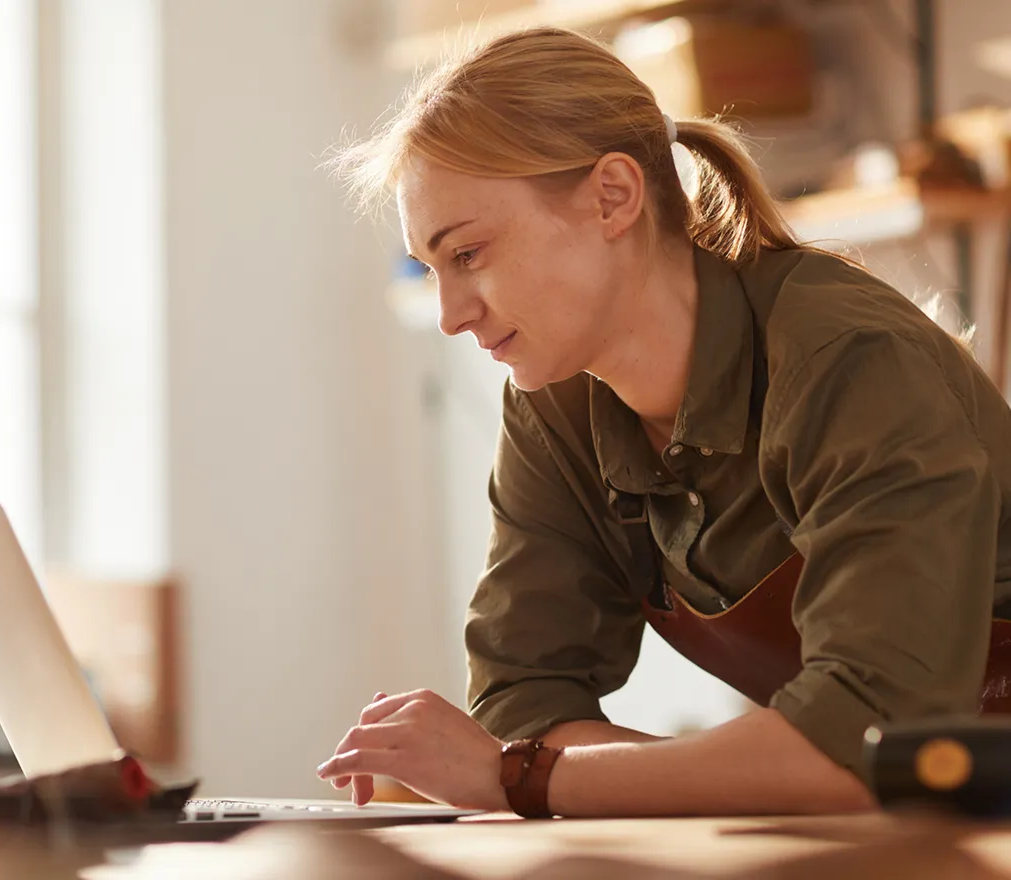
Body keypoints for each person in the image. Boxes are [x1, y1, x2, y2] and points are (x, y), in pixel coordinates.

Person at [315, 26, 1011, 818]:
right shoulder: (557, 405)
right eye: (431, 269)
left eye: (469, 254)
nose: (448, 316)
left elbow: (869, 736)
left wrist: (525, 778)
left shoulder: (847, 357)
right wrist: (755, 769)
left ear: (613, 196)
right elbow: (523, 707)